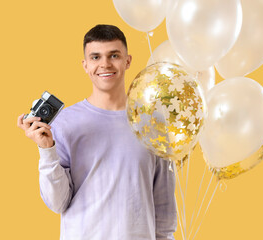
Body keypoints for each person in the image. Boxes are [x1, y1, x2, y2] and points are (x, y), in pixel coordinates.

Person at [17, 24, 177, 240]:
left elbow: (164, 208)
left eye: (114, 55)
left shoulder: (153, 123)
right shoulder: (64, 123)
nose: (105, 64)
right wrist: (47, 150)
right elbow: (57, 203)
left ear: (128, 60)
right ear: (85, 65)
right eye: (95, 57)